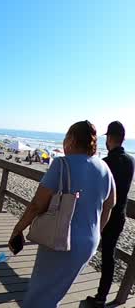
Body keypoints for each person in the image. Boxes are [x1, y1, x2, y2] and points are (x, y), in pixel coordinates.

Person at [9, 120, 116, 308]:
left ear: (72, 139)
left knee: (39, 294)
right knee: (56, 292)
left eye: (65, 138)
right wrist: (96, 232)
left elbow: (36, 204)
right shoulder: (104, 168)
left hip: (60, 239)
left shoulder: (61, 164)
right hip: (89, 243)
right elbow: (110, 205)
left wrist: (17, 230)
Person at [86, 121, 135, 307]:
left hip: (102, 214)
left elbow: (94, 191)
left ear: (109, 138)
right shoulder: (131, 161)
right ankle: (101, 297)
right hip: (120, 216)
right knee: (109, 256)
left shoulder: (105, 163)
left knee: (86, 245)